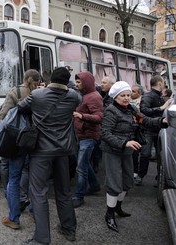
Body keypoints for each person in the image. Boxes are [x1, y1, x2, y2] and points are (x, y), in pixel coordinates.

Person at [18, 67, 81, 244]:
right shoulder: (73, 97)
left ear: (50, 78)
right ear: (67, 81)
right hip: (63, 151)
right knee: (64, 191)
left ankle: (42, 239)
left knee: (38, 193)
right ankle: (69, 229)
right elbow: (76, 93)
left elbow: (20, 107)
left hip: (41, 152)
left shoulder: (38, 95)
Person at [100, 81, 167, 232]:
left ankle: (117, 208)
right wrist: (125, 143)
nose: (126, 98)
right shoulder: (111, 110)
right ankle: (109, 214)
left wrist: (162, 121)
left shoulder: (132, 109)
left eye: (128, 95)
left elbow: (145, 120)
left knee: (127, 181)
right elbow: (105, 134)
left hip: (126, 151)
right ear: (115, 97)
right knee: (114, 183)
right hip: (112, 151)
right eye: (122, 95)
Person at [0, 69, 40, 230]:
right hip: (35, 142)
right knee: (31, 175)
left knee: (14, 178)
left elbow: (3, 116)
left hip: (18, 141)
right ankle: (32, 208)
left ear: (26, 78)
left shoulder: (16, 91)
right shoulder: (41, 94)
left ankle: (14, 218)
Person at [72, 71, 103, 208]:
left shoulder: (94, 97)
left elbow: (99, 117)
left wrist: (82, 116)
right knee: (84, 164)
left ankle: (79, 196)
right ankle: (95, 185)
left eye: (79, 82)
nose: (76, 84)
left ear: (86, 82)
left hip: (89, 135)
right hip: (82, 134)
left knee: (81, 167)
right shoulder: (85, 95)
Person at [136, 75, 172, 185]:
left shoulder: (160, 96)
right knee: (145, 154)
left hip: (160, 129)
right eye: (163, 82)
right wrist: (161, 108)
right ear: (159, 83)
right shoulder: (148, 96)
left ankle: (159, 178)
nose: (164, 85)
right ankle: (141, 176)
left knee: (160, 155)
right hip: (148, 129)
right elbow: (144, 111)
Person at [130, 84, 144, 180]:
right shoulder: (128, 101)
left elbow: (143, 118)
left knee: (135, 152)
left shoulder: (142, 102)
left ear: (139, 93)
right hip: (130, 129)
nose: (131, 93)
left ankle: (135, 170)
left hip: (138, 130)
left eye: (134, 91)